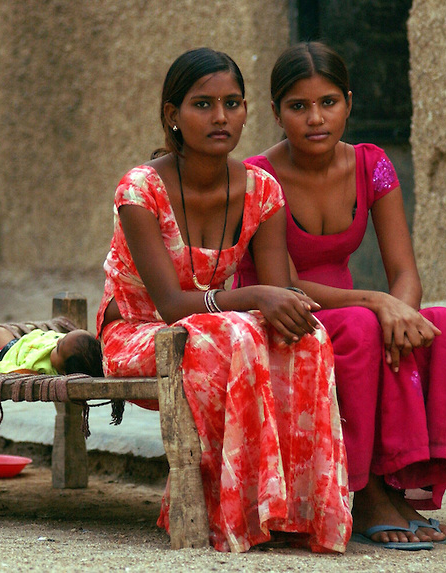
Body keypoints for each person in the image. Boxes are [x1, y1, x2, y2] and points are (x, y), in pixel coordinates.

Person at [96, 47, 351, 553]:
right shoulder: (140, 190)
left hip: (214, 334)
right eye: (203, 105)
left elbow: (278, 300)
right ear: (173, 115)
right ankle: (222, 511)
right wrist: (255, 295)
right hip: (139, 337)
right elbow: (169, 305)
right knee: (233, 332)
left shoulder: (262, 191)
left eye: (233, 103)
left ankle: (291, 512)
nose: (220, 117)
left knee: (307, 338)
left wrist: (284, 309)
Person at [235, 41, 446, 550]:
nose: (315, 119)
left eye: (328, 103)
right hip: (286, 312)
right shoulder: (260, 176)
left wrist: (399, 309)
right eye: (298, 107)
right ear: (277, 113)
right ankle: (362, 491)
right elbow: (288, 284)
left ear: (349, 102)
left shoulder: (373, 165)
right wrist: (378, 304)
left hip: (353, 314)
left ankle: (398, 484)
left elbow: (404, 270)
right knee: (367, 326)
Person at [0, 326, 103, 378]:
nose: (57, 342)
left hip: (9, 354)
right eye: (62, 338)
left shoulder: (38, 372)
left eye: (58, 349)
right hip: (24, 345)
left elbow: (6, 375)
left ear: (63, 372)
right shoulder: (69, 348)